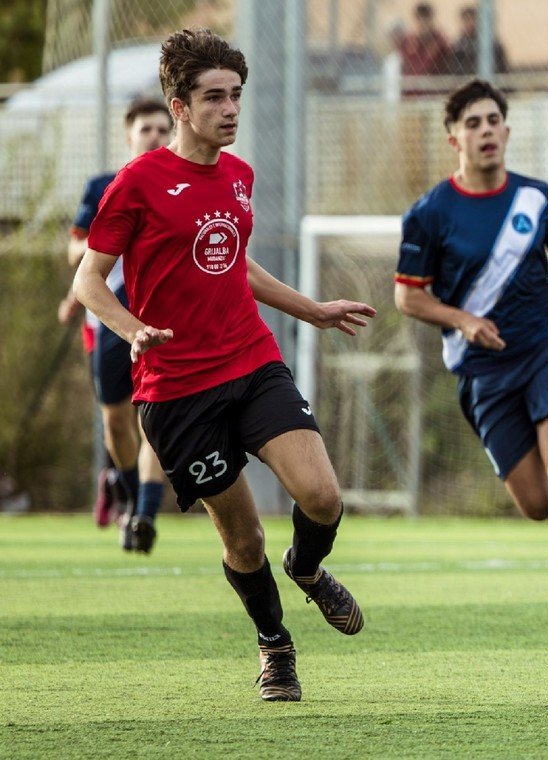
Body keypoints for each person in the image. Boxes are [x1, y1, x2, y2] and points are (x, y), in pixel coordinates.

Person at [73, 28, 376, 702]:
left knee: (322, 497)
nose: (231, 109)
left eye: (236, 95)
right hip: (175, 391)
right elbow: (88, 282)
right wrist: (131, 330)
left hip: (249, 361)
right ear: (179, 107)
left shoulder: (238, 175)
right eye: (214, 97)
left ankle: (307, 568)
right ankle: (275, 646)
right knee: (242, 538)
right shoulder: (135, 184)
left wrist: (311, 310)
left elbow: (234, 261)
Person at [394, 79, 548, 623]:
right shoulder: (429, 213)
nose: (486, 131)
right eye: (473, 123)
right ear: (454, 140)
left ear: (507, 130)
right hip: (481, 372)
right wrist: (463, 320)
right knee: (539, 506)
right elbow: (408, 296)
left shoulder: (536, 197)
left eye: (493, 120)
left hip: (546, 348)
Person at [58, 98, 173, 552]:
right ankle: (126, 494)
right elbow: (77, 257)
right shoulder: (106, 186)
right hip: (111, 321)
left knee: (154, 419)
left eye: (164, 129)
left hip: (161, 317)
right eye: (147, 129)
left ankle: (144, 514)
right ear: (129, 136)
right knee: (117, 421)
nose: (156, 137)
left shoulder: (181, 184)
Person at [449, 5, 509, 76]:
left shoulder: (494, 45)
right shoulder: (458, 47)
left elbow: (502, 69)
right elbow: (454, 70)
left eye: (472, 20)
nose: (469, 24)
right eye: (466, 21)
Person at [398, 2, 451, 79]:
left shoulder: (440, 42)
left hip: (434, 87)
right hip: (412, 87)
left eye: (426, 20)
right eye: (420, 19)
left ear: (431, 20)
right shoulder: (407, 42)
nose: (423, 24)